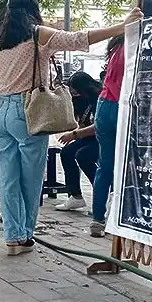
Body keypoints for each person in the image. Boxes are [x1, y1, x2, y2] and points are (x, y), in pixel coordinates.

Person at [0, 0, 141, 255]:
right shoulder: (39, 34)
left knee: (7, 177)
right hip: (28, 113)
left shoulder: (1, 42)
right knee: (31, 179)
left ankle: (12, 237)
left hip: (0, 112)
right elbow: (79, 39)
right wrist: (121, 26)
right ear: (34, 9)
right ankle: (24, 236)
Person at [89, 0, 152, 237]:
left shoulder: (120, 41)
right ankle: (121, 219)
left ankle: (97, 219)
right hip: (126, 108)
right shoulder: (147, 45)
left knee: (106, 165)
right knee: (130, 166)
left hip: (104, 107)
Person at [54, 71, 103, 211]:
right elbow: (80, 122)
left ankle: (102, 193)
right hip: (88, 137)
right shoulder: (78, 100)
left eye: (76, 90)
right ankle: (75, 196)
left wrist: (75, 135)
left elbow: (99, 125)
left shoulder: (99, 98)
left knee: (83, 156)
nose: (74, 93)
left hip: (102, 137)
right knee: (67, 152)